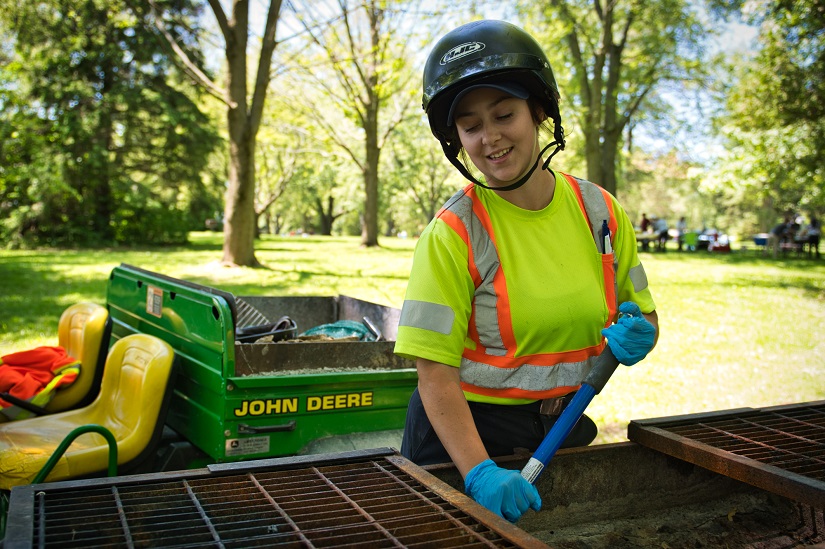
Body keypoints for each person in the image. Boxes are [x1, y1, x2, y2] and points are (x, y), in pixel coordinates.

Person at [394, 20, 659, 523]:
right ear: (457, 140)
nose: (490, 137)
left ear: (539, 112)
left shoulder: (601, 212)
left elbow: (646, 316)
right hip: (463, 442)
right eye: (471, 126)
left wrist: (642, 333)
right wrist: (479, 473)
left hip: (565, 425)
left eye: (504, 114)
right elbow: (433, 372)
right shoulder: (453, 232)